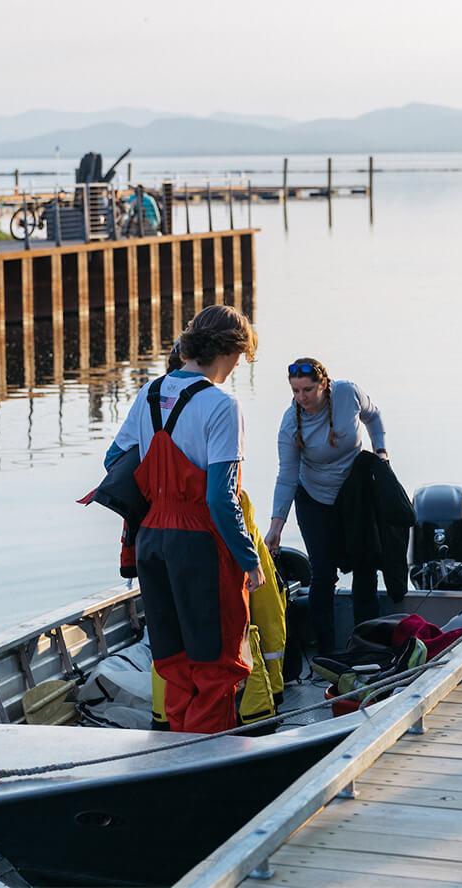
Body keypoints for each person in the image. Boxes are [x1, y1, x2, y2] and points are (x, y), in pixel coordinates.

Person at [107, 305, 264, 733]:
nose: (236, 368)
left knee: (173, 660)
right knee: (217, 665)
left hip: (151, 542)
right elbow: (220, 498)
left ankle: (173, 751)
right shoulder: (221, 405)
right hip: (200, 545)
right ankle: (206, 758)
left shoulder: (150, 393)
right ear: (228, 351)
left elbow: (114, 459)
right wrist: (250, 561)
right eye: (238, 359)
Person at [264, 358, 390, 654]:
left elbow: (374, 416)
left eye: (307, 390)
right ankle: (326, 651)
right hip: (314, 499)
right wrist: (276, 527)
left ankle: (366, 645)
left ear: (325, 385)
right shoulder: (290, 424)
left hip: (355, 493)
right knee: (322, 573)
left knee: (365, 565)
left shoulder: (348, 394)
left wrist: (381, 452)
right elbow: (287, 477)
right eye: (295, 391)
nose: (301, 398)